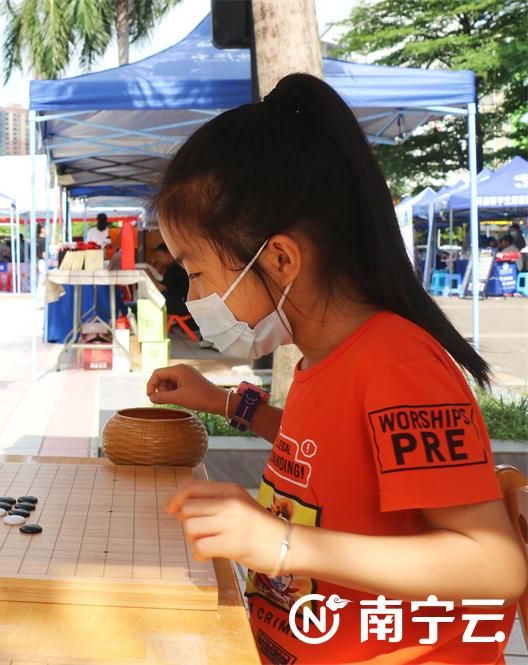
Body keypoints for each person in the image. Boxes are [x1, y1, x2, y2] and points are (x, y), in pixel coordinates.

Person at [145, 74, 523, 663]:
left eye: (196, 272)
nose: (192, 297)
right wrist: (222, 402)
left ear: (279, 258)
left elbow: (493, 564)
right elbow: (327, 453)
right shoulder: (326, 355)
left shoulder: (398, 366)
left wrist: (284, 543)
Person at [146, 243, 189, 318]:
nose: (157, 259)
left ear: (169, 254)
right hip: (182, 303)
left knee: (156, 298)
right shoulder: (176, 266)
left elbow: (160, 288)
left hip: (182, 306)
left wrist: (147, 274)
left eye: (159, 256)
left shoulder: (175, 268)